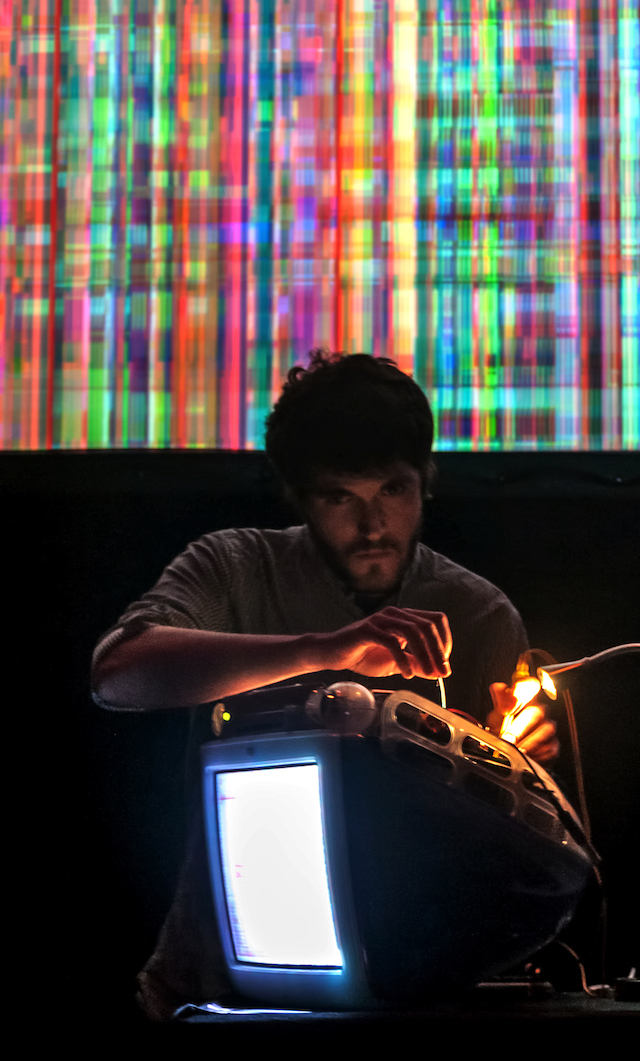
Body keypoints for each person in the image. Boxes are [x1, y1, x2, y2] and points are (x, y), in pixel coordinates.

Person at [92, 350, 558, 1019]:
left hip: (417, 997)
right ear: (300, 497)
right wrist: (323, 650)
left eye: (392, 491)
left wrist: (521, 769)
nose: (373, 526)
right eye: (341, 497)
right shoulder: (235, 568)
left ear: (425, 481)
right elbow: (118, 673)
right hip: (214, 992)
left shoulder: (478, 613)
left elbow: (525, 864)